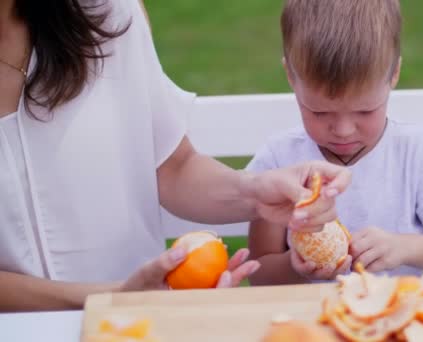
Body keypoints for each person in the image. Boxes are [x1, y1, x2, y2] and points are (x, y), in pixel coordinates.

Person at [0, 0, 351, 312]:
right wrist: (116, 295)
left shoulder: (107, 14)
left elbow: (172, 167)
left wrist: (255, 192)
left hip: (136, 325)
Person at [247, 0, 423, 286]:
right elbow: (261, 273)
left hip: (394, 316)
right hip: (308, 323)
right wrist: (297, 266)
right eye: (320, 112)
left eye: (365, 110)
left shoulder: (418, 152)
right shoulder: (280, 162)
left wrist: (404, 247)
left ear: (394, 74)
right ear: (290, 77)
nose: (344, 131)